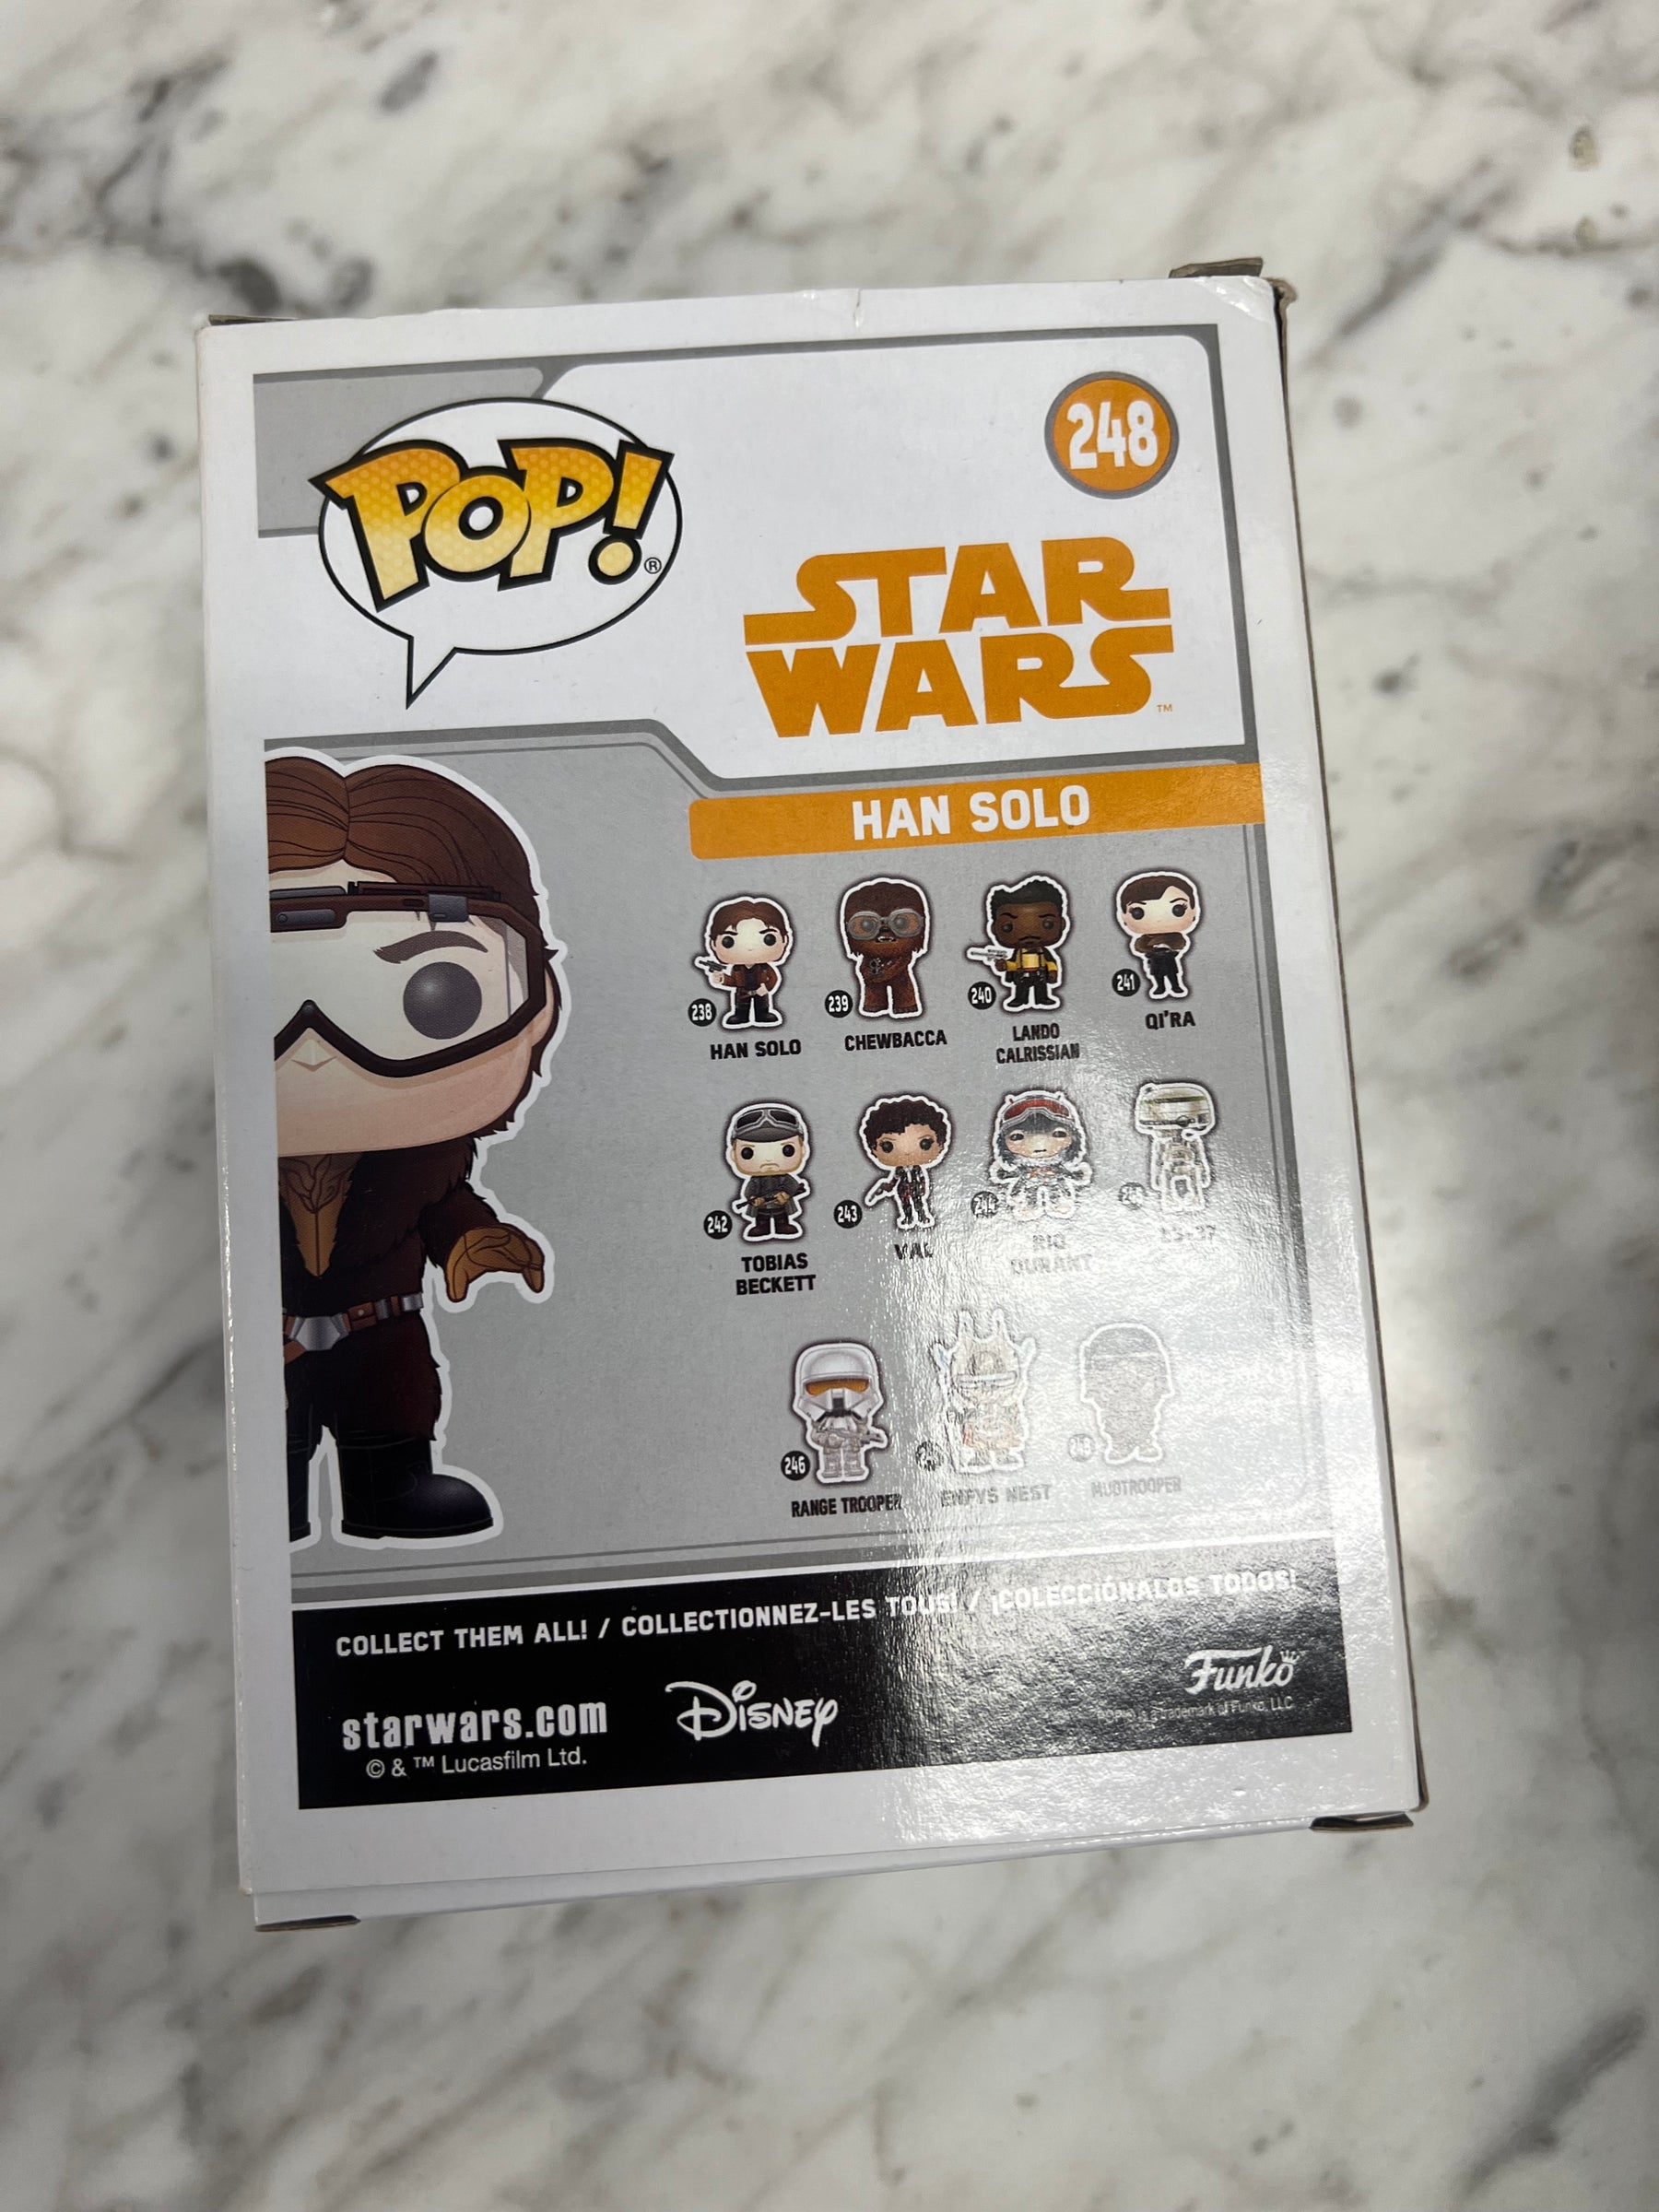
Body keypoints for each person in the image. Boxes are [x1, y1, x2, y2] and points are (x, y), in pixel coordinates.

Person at [268, 752, 561, 1547]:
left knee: (390, 1412)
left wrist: (474, 1241)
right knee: (270, 1443)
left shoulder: (422, 1163)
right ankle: (273, 1496)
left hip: (381, 1333)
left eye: (440, 997)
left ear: (536, 1008)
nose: (318, 1053)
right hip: (268, 1342)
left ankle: (390, 1487)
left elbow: (445, 1209)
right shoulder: (222, 1175)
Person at [966, 875, 1070, 1011]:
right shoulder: (1018, 953)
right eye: (1008, 927)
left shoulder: (1043, 953)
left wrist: (1052, 972)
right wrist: (1005, 965)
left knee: (1041, 988)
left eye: (1047, 924)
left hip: (1040, 974)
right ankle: (1020, 999)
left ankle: (1042, 998)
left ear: (1062, 924)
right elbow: (1014, 964)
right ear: (994, 929)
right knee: (1021, 989)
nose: (1029, 935)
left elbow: (1050, 963)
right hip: (1022, 974)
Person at [987, 1091, 1092, 1219]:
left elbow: (1072, 1175)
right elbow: (1008, 1175)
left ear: (1074, 1138)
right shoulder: (1023, 1169)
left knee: (1055, 1191)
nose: (1039, 1143)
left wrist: (1076, 1174)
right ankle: (1030, 1206)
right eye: (1017, 1136)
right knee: (1030, 1193)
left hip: (1054, 1183)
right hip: (1029, 1183)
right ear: (1003, 1142)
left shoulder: (1058, 1167)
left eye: (1059, 1134)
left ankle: (1057, 1203)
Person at [695, 894, 793, 1028]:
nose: (750, 947)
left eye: (768, 939)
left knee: (761, 1006)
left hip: (760, 991)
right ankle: (741, 1016)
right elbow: (733, 981)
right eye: (728, 941)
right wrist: (721, 978)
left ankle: (762, 1015)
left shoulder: (765, 968)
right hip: (742, 993)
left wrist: (766, 988)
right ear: (713, 944)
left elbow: (773, 979)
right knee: (741, 1008)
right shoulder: (737, 969)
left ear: (785, 940)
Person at [839, 877, 931, 1018]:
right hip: (872, 974)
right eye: (867, 925)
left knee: (902, 986)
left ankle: (905, 1005)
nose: (885, 931)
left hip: (898, 976)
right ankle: (874, 1004)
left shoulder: (902, 960)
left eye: (901, 923)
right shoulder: (868, 965)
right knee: (873, 991)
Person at [859, 1094, 952, 1228]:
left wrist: (922, 1189)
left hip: (916, 1191)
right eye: (888, 1146)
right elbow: (893, 1181)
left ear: (940, 1144)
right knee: (906, 1205)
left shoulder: (918, 1170)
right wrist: (885, 1188)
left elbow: (922, 1179)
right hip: (903, 1192)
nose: (907, 1152)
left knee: (919, 1204)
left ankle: (922, 1216)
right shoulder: (899, 1171)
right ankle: (908, 1218)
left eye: (925, 1144)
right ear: (873, 1148)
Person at [725, 1102, 812, 1239]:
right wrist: (753, 1199)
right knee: (762, 1220)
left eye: (787, 1150)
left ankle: (782, 1226)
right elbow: (750, 1190)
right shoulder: (756, 1180)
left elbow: (793, 1186)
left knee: (781, 1218)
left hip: (780, 1206)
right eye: (748, 1152)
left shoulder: (784, 1178)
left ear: (802, 1150)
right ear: (733, 1155)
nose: (769, 1160)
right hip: (763, 1207)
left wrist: (787, 1194)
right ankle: (761, 1227)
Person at [1114, 870, 1202, 998]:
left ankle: (1176, 986)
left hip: (1169, 959)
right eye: (1138, 912)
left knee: (1172, 974)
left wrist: (1171, 952)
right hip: (1155, 961)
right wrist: (1150, 953)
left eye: (1178, 909)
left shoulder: (1175, 939)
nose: (1158, 919)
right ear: (1124, 918)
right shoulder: (1144, 941)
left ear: (1194, 912)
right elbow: (1139, 947)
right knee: (1157, 976)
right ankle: (1160, 987)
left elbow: (1180, 945)